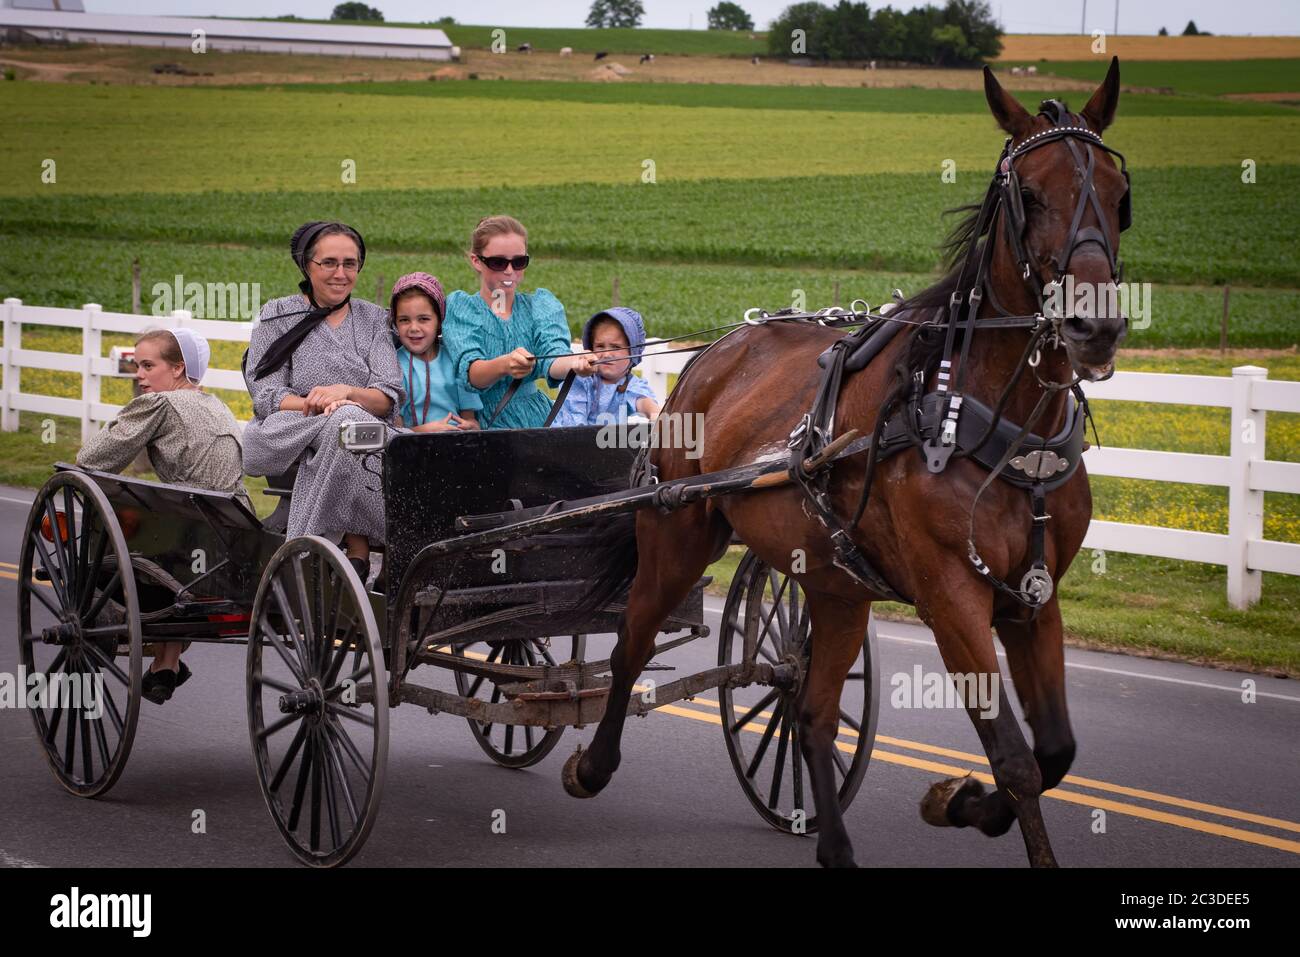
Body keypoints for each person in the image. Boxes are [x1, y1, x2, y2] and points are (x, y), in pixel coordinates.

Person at [76, 327, 249, 704]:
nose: (139, 375)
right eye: (138, 365)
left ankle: (156, 655)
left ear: (178, 369)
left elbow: (92, 460)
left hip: (193, 532)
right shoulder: (216, 406)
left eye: (148, 365)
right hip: (237, 529)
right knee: (177, 532)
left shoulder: (160, 405)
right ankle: (165, 664)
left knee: (145, 530)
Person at [241, 221, 404, 584]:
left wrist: (345, 394)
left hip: (364, 431)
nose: (340, 273)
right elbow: (266, 396)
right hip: (291, 428)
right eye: (328, 263)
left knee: (359, 428)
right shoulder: (277, 315)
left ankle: (336, 544)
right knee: (346, 423)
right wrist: (317, 404)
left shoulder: (374, 319)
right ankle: (309, 540)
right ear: (306, 265)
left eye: (350, 264)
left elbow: (386, 397)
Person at [441, 215, 595, 430]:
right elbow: (471, 374)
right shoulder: (463, 308)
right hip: (480, 422)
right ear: (476, 261)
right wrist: (505, 364)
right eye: (498, 262)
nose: (510, 271)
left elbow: (552, 358)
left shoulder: (540, 306)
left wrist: (574, 362)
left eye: (519, 262)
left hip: (536, 418)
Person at [389, 272, 480, 432]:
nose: (414, 328)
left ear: (439, 321)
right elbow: (395, 431)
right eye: (404, 320)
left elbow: (471, 420)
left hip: (457, 444)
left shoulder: (456, 360)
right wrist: (426, 431)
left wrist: (469, 427)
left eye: (423, 319)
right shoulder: (393, 364)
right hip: (412, 448)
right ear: (395, 323)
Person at [549, 307, 661, 427]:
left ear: (632, 353)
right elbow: (574, 426)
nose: (607, 354)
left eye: (616, 347)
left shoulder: (632, 386)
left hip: (612, 444)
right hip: (573, 442)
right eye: (600, 346)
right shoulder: (582, 381)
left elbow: (645, 402)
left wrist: (657, 415)